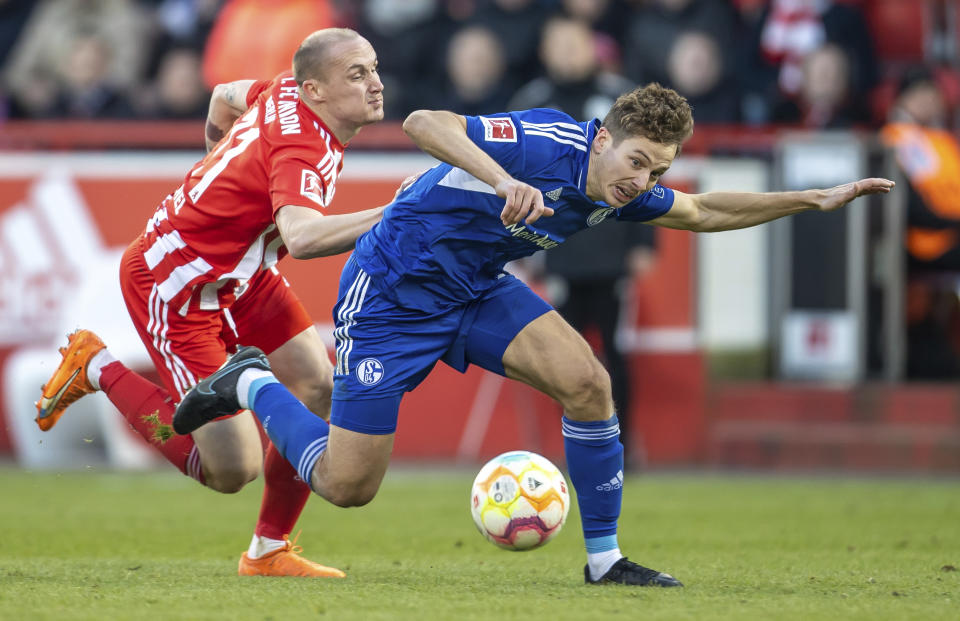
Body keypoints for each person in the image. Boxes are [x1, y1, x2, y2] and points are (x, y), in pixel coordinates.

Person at [172, 83, 894, 585]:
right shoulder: (545, 141)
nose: (643, 181)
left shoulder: (623, 191)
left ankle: (606, 559)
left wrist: (811, 198)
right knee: (346, 484)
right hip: (393, 291)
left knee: (588, 382)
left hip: (475, 289)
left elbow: (704, 211)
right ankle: (250, 379)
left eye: (657, 170)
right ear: (603, 138)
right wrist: (498, 178)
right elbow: (426, 122)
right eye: (637, 160)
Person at [35, 28, 386, 578]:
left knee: (318, 382)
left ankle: (269, 551)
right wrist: (396, 210)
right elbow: (304, 237)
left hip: (241, 276)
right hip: (175, 284)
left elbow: (223, 94)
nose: (375, 85)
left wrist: (215, 163)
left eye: (373, 69)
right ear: (315, 90)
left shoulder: (284, 92)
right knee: (229, 470)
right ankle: (96, 365)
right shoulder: (304, 146)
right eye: (357, 74)